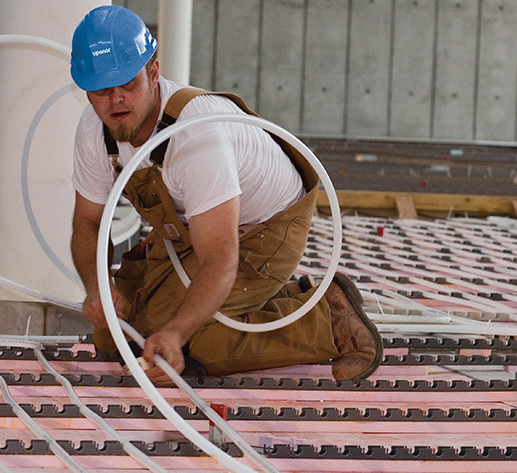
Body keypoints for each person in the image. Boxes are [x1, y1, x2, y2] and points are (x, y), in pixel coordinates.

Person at [68, 6, 380, 385]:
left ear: (153, 72)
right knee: (117, 331)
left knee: (182, 347)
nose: (116, 100)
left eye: (128, 84)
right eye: (101, 89)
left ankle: (328, 322)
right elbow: (88, 221)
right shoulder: (94, 130)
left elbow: (218, 259)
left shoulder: (195, 136)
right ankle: (283, 298)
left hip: (264, 230)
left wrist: (176, 334)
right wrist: (96, 286)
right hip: (195, 227)